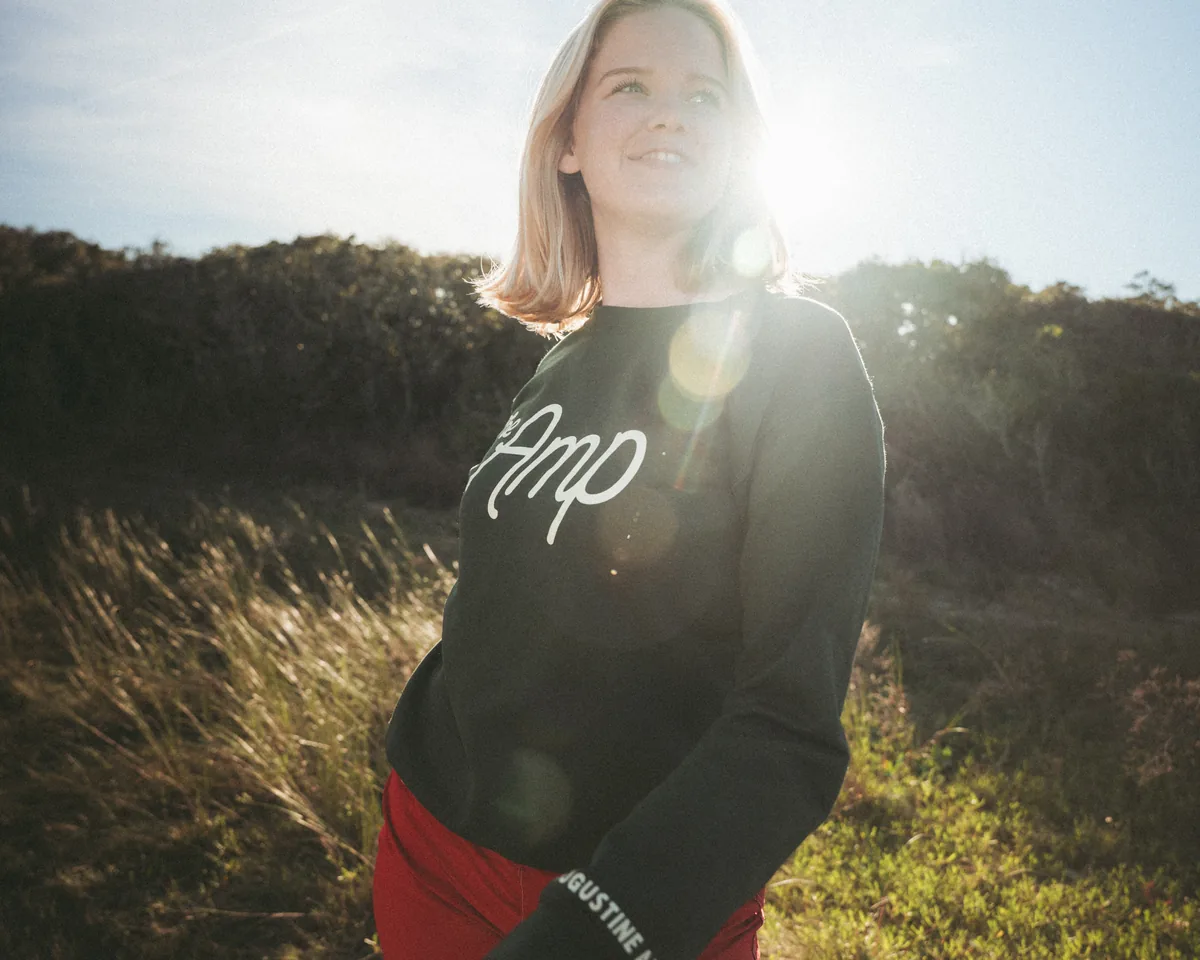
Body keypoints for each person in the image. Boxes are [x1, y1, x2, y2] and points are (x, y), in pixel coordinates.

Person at [371, 1, 887, 958]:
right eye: (631, 87)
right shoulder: (560, 362)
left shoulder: (799, 356)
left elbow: (791, 729)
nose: (671, 113)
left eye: (705, 93)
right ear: (568, 139)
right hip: (433, 851)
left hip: (643, 902)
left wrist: (592, 928)